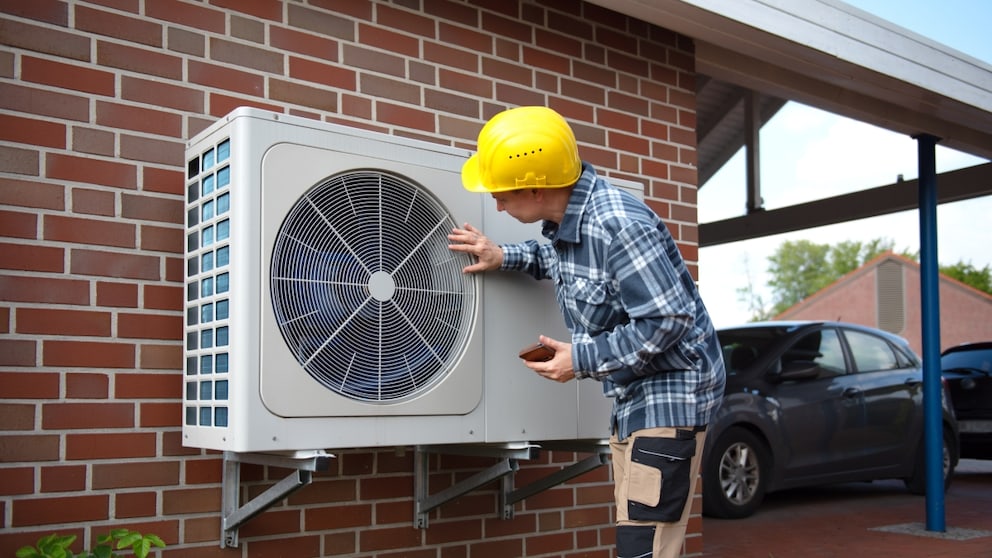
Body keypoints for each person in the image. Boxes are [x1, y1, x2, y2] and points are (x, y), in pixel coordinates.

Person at [448, 106, 726, 558]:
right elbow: (562, 263)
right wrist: (504, 255)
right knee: (641, 536)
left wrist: (581, 358)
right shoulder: (572, 224)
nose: (497, 204)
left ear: (537, 187)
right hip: (634, 398)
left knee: (646, 546)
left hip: (669, 397)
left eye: (502, 194)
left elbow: (668, 320)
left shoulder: (618, 224)